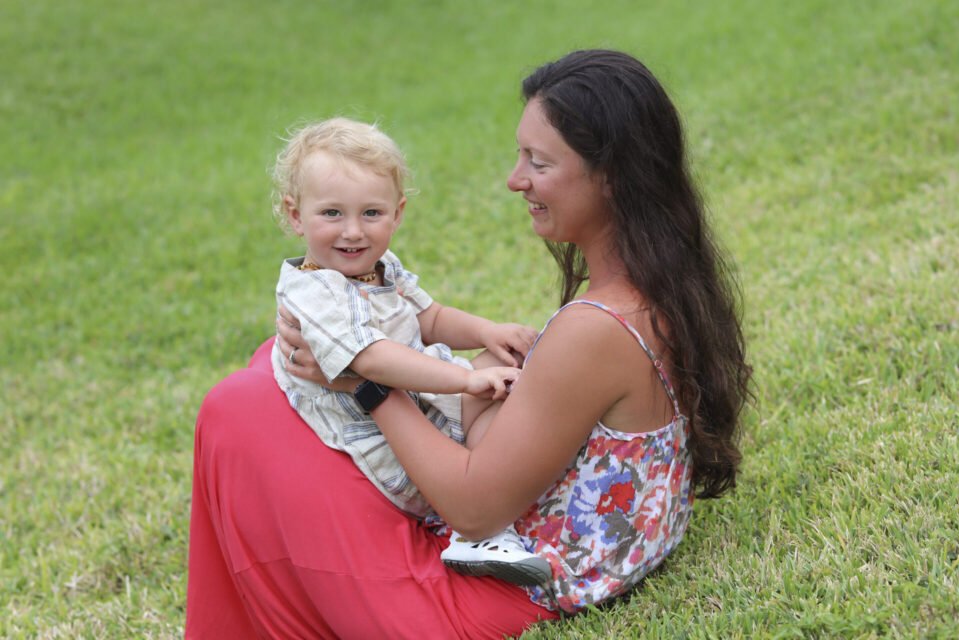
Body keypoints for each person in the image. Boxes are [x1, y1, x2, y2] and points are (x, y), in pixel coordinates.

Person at [186, 49, 750, 639]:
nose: (515, 179)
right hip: (563, 552)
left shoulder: (597, 326)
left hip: (503, 588)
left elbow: (475, 510)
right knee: (267, 370)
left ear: (610, 176)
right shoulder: (657, 282)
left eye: (538, 161)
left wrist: (366, 385)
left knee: (235, 409)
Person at [267, 117, 549, 584]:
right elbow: (371, 359)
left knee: (509, 369)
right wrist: (466, 380)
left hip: (423, 401)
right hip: (388, 444)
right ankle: (478, 530)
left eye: (371, 214)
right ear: (296, 215)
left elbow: (429, 317)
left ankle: (502, 478)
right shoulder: (312, 292)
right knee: (497, 406)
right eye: (332, 214)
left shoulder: (378, 266)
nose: (353, 232)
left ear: (397, 213)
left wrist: (488, 330)